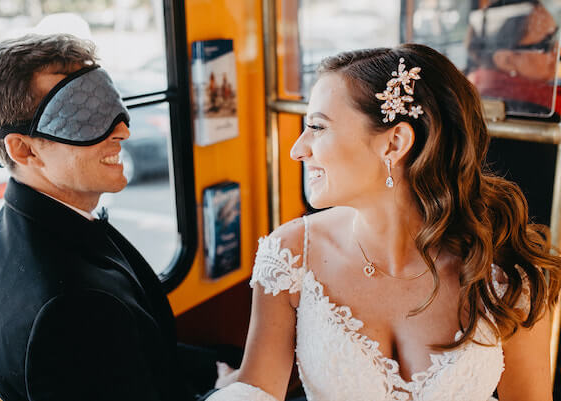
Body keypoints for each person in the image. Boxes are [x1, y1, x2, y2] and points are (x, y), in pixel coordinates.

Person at [206, 43, 561, 401]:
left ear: (394, 143)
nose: (298, 149)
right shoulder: (289, 255)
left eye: (317, 127)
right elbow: (255, 393)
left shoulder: (505, 267)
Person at [0, 33, 224, 401]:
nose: (123, 130)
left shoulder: (23, 224)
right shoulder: (72, 306)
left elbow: (137, 350)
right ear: (23, 149)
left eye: (108, 104)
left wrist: (217, 370)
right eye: (84, 116)